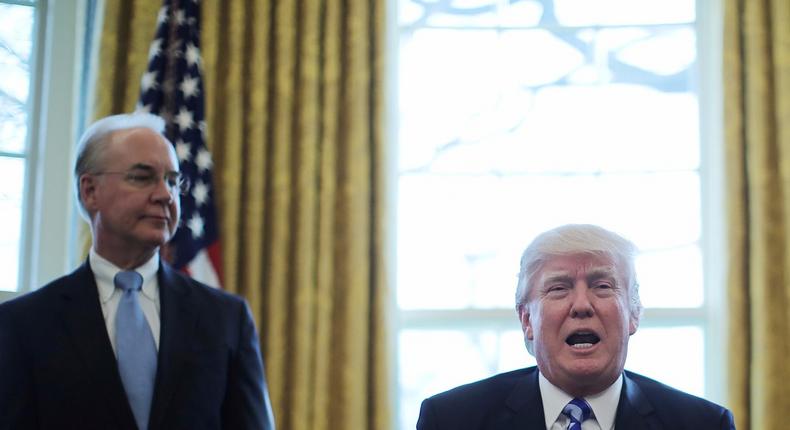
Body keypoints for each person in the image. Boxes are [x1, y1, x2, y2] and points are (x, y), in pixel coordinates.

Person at [0, 113, 275, 430]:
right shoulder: (22, 325)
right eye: (142, 177)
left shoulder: (227, 319)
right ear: (90, 191)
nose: (165, 195)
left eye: (172, 180)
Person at [416, 224, 734, 429]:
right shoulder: (451, 420)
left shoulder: (703, 423)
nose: (582, 305)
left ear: (633, 314)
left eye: (603, 286)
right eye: (558, 289)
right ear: (527, 320)